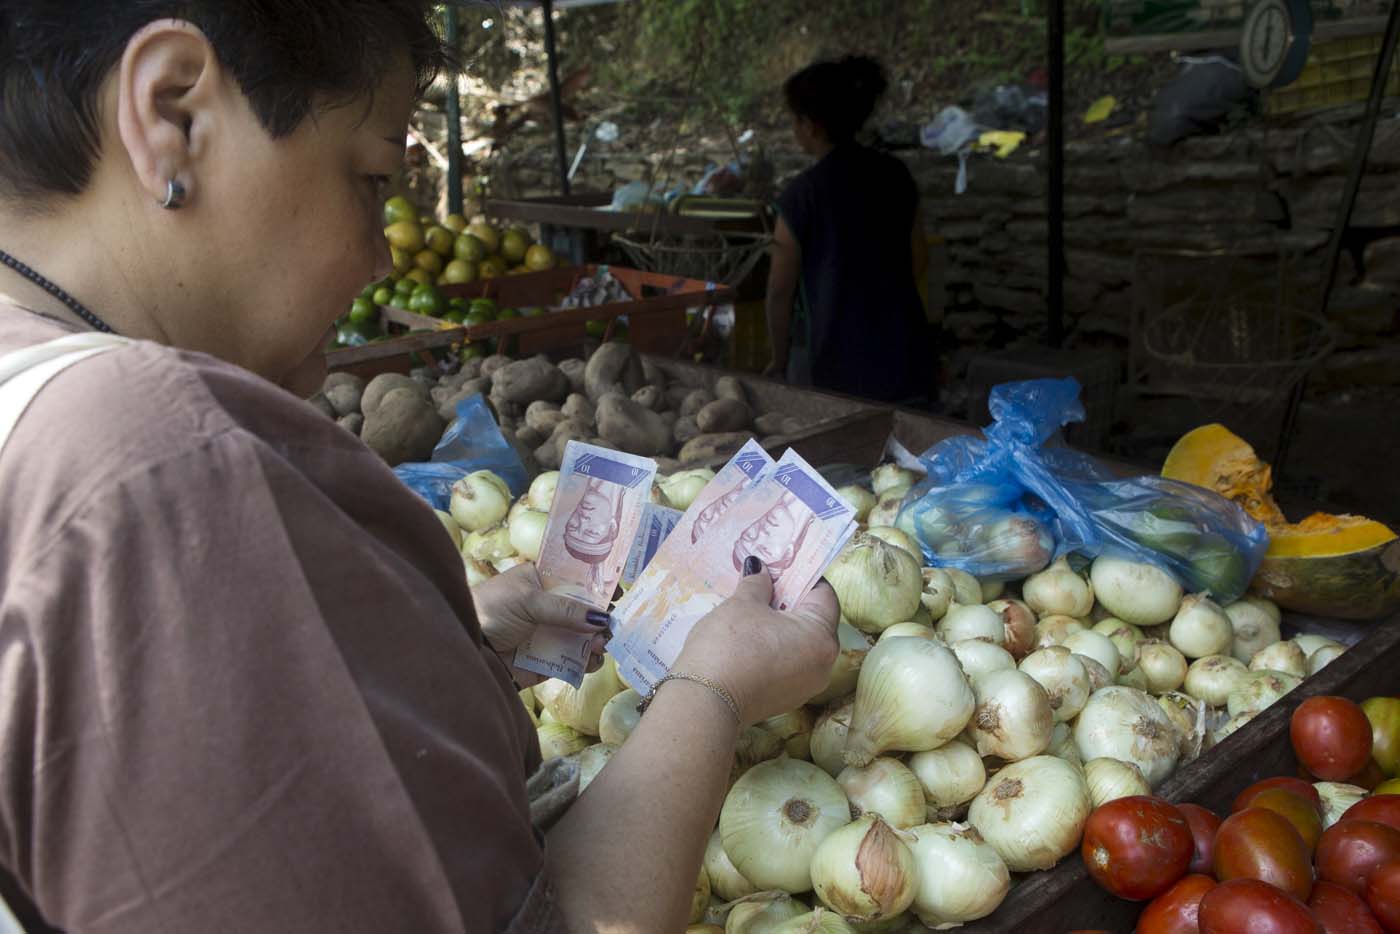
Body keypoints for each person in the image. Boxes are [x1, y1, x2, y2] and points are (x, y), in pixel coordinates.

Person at [0, 4, 840, 933]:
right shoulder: (164, 467)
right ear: (174, 113)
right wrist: (711, 689)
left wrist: (453, 650)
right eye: (370, 179)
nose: (377, 259)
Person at [765, 55, 934, 403]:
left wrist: (778, 360)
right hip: (902, 350)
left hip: (832, 361)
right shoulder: (896, 175)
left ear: (811, 126)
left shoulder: (802, 195)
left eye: (795, 121)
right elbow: (919, 258)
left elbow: (780, 290)